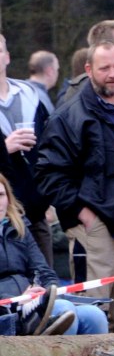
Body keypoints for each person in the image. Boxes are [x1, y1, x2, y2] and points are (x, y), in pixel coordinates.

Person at [36, 41, 114, 331]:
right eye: (105, 68)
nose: (112, 74)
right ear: (89, 70)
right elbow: (48, 173)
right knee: (95, 310)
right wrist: (84, 214)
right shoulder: (71, 115)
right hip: (99, 227)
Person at [0, 174, 108, 336]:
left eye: (1, 195)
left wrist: (46, 292)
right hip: (6, 307)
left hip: (30, 303)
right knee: (63, 310)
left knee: (94, 315)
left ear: (8, 197)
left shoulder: (19, 227)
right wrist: (18, 298)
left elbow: (43, 270)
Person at [0, 33, 52, 266]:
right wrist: (4, 148)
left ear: (7, 57)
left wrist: (49, 195)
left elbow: (51, 144)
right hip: (3, 214)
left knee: (48, 287)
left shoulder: (30, 96)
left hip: (36, 210)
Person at [26, 51, 59, 115]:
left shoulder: (21, 92)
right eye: (57, 69)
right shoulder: (40, 100)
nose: (57, 73)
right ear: (50, 71)